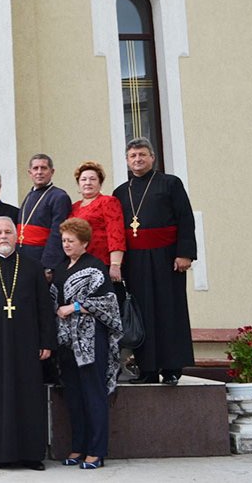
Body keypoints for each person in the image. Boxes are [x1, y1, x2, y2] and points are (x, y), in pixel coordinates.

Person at [0, 216, 56, 471]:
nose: (3, 236)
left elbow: (44, 308)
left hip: (27, 342)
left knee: (28, 395)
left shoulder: (32, 266)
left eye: (8, 232)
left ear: (16, 236)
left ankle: (31, 455)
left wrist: (47, 341)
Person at [111, 137, 196, 386]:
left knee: (169, 310)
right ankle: (147, 368)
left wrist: (185, 253)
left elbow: (185, 218)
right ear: (127, 161)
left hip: (167, 257)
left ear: (152, 157)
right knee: (141, 313)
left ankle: (171, 368)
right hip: (135, 261)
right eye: (133, 156)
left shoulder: (170, 183)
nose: (137, 159)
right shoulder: (120, 192)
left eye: (142, 155)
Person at [52, 218, 122, 470]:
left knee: (93, 395)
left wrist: (75, 307)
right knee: (73, 396)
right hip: (66, 343)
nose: (67, 245)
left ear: (84, 243)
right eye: (64, 241)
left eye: (71, 241)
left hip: (91, 342)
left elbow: (108, 302)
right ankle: (78, 446)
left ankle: (96, 450)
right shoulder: (60, 268)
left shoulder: (95, 267)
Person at [70, 161, 126, 282]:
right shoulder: (74, 207)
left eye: (92, 179)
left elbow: (116, 233)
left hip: (101, 263)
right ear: (78, 184)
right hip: (79, 263)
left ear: (100, 183)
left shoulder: (108, 201)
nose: (88, 183)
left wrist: (115, 264)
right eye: (83, 179)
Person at [17, 154, 72, 274]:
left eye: (44, 168)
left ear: (52, 172)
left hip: (43, 261)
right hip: (24, 259)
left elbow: (57, 233)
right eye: (35, 168)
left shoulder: (59, 196)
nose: (39, 172)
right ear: (30, 172)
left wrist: (49, 265)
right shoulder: (30, 195)